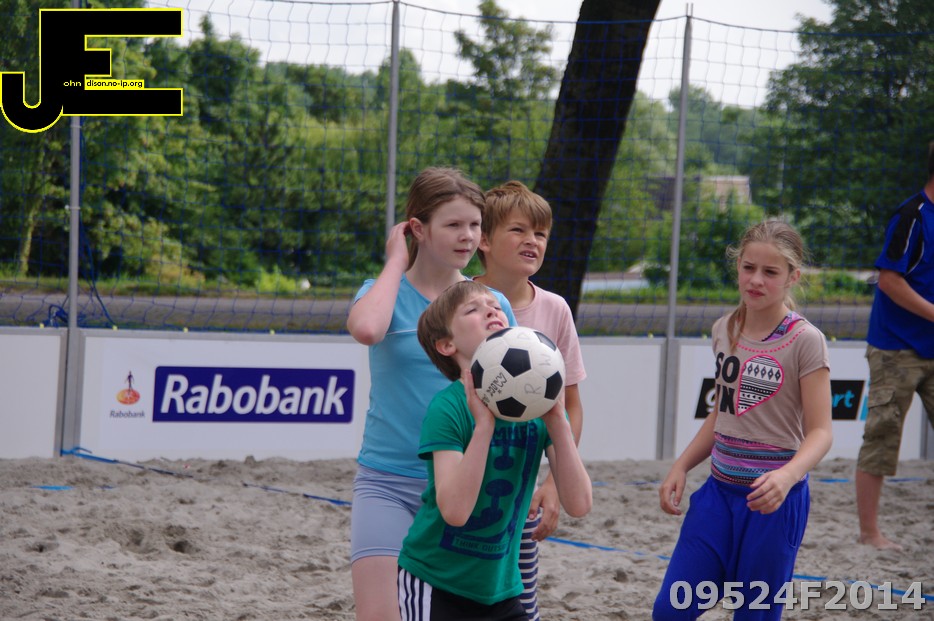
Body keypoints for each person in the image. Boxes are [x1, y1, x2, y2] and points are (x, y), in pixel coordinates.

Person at [346, 167, 517, 621]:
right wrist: (395, 262)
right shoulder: (384, 293)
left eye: (475, 224)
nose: (468, 235)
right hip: (388, 481)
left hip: (464, 484)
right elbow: (367, 329)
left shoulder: (490, 305)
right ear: (418, 229)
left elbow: (516, 398)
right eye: (453, 224)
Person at [652, 220, 833, 621]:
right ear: (737, 266)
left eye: (770, 272)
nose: (756, 280)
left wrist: (786, 477)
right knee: (670, 610)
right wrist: (682, 466)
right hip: (718, 494)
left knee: (754, 614)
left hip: (773, 502)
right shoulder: (725, 328)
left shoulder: (806, 340)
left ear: (792, 277)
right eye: (748, 267)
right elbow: (722, 412)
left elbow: (821, 432)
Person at [397, 280, 592, 619]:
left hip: (501, 589)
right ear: (446, 344)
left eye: (495, 306)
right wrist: (483, 428)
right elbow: (455, 512)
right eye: (473, 310)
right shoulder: (448, 408)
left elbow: (579, 504)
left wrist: (558, 421)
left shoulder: (537, 403)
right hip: (436, 582)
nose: (491, 311)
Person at [473, 180, 587, 620]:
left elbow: (571, 406)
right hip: (463, 470)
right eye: (518, 230)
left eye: (540, 233)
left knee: (519, 595)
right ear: (484, 240)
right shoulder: (459, 302)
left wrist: (554, 483)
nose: (532, 241)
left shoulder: (555, 309)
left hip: (518, 482)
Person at [855, 144, 934, 551]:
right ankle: (869, 534)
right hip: (895, 349)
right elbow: (888, 280)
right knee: (881, 438)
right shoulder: (912, 216)